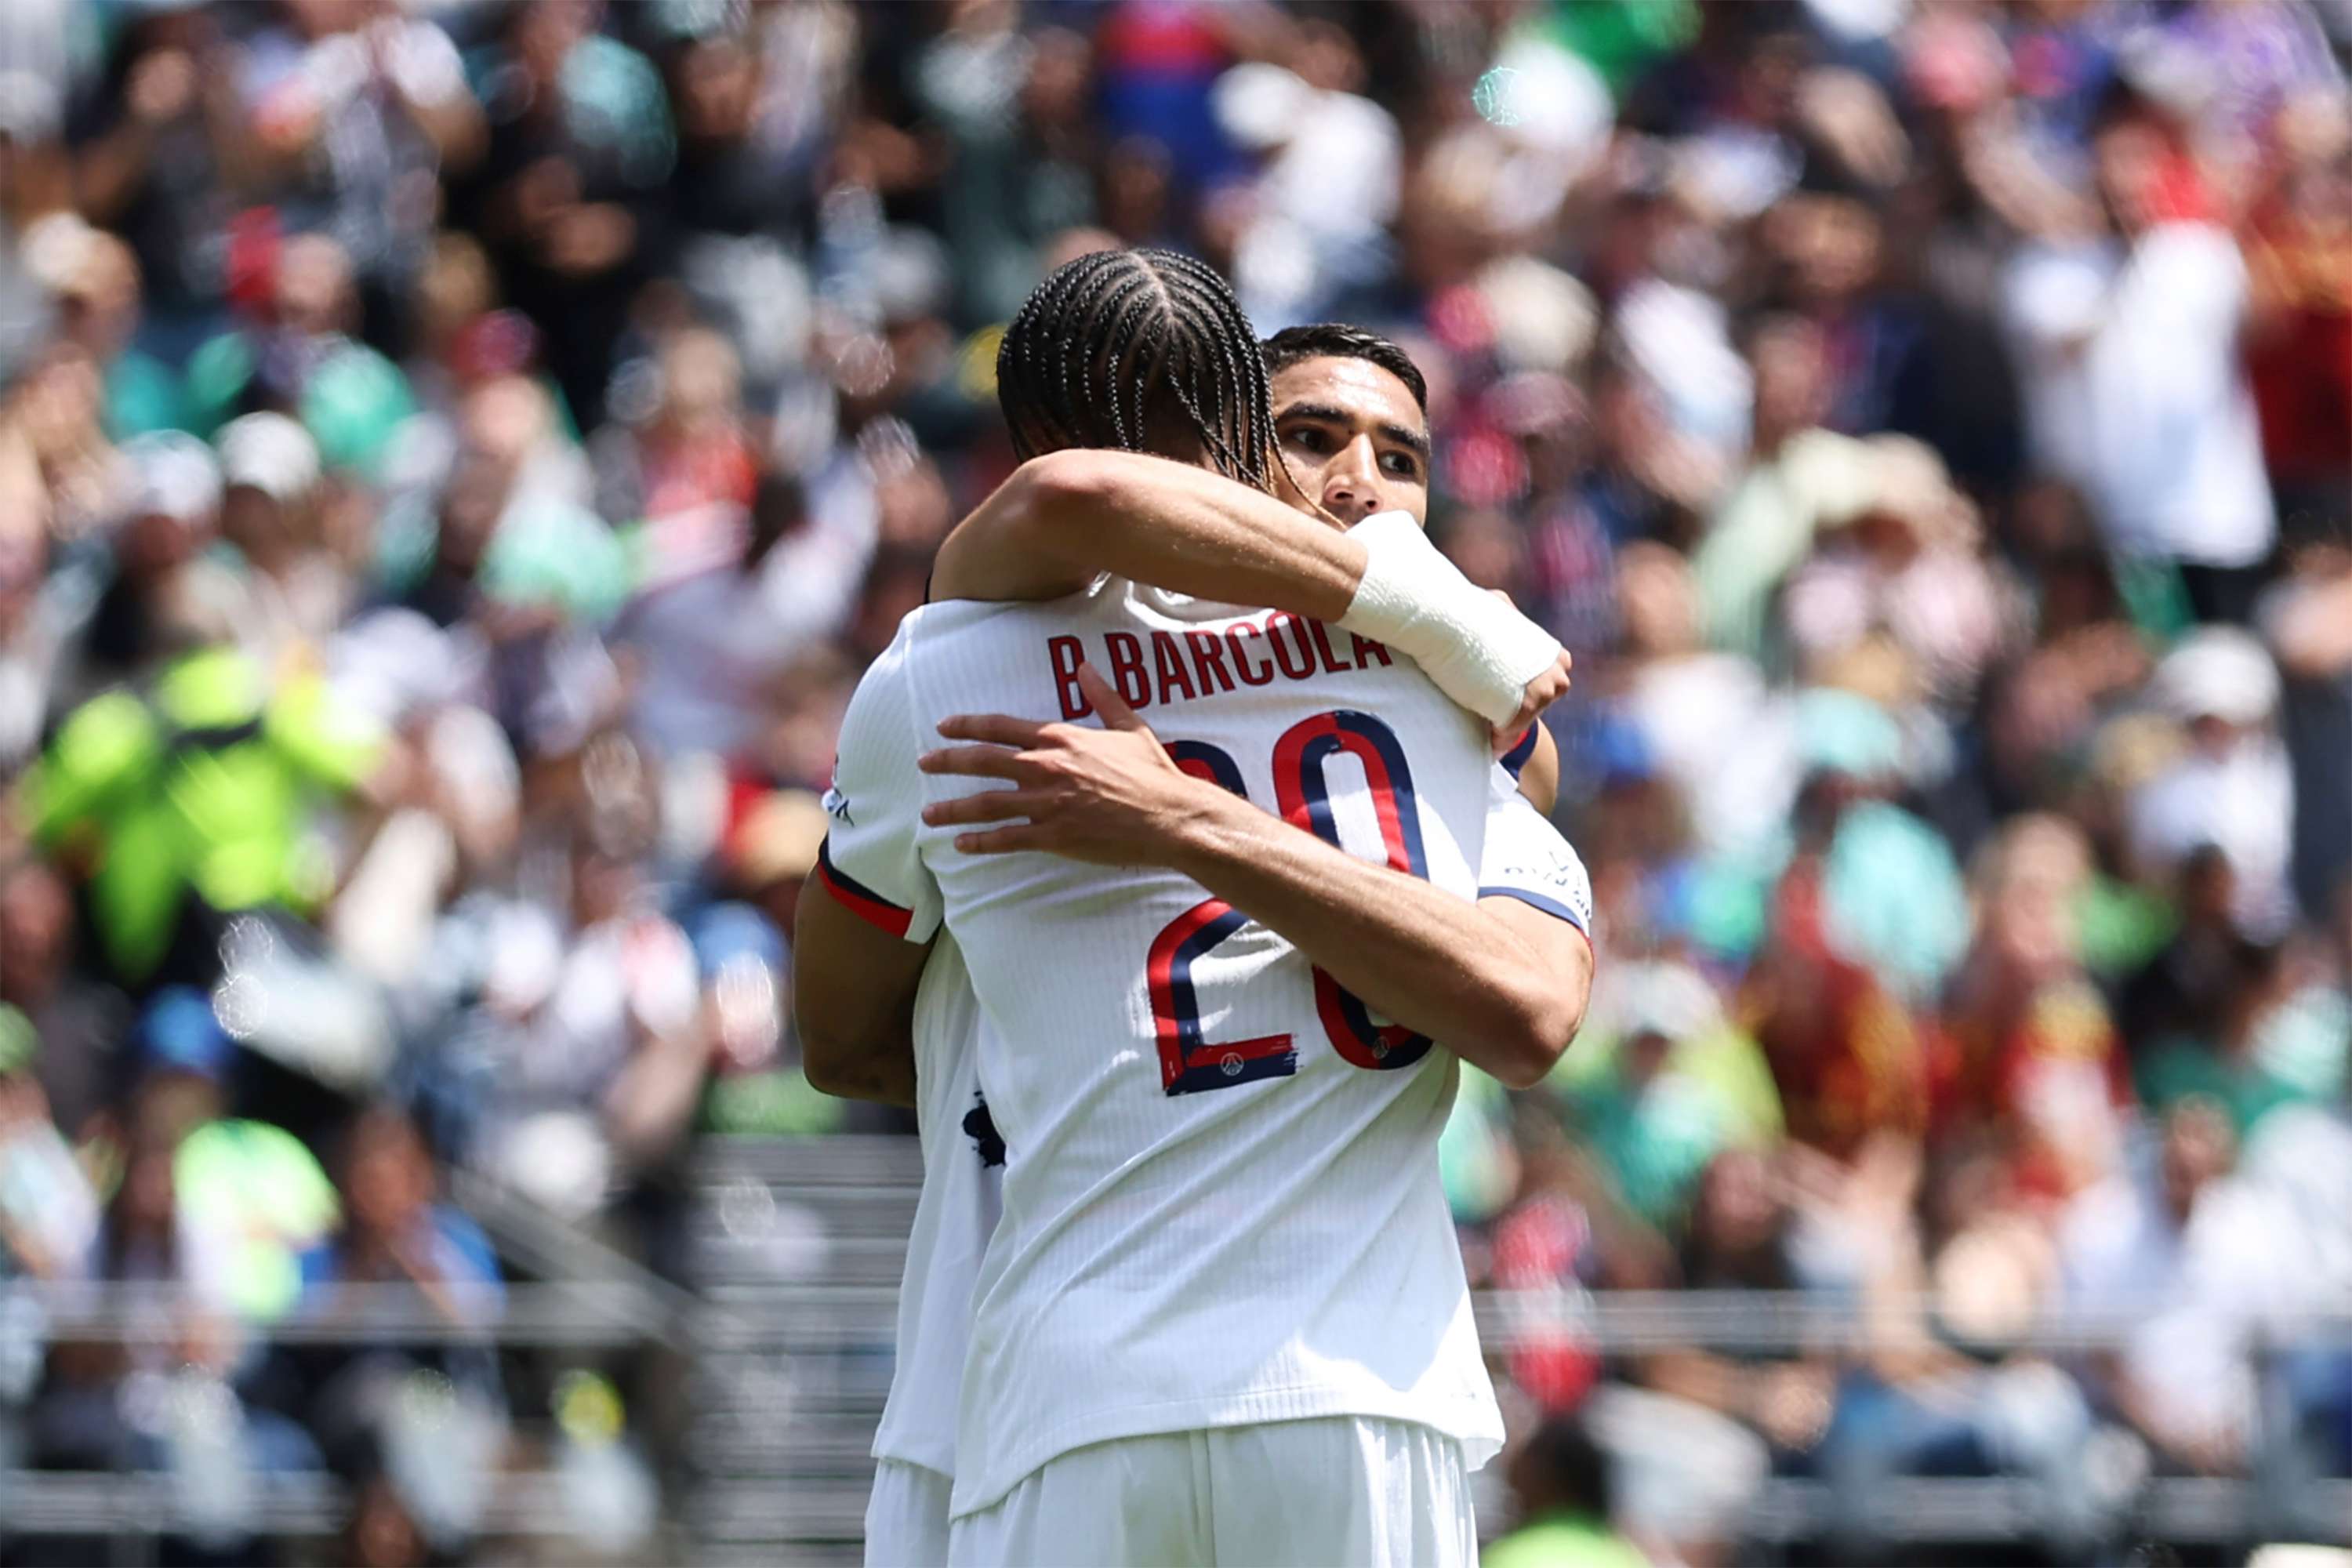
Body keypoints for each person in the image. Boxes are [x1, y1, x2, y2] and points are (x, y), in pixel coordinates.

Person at [799, 249, 1587, 1566]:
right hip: (1346, 1395)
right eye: (1314, 437)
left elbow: (835, 1043)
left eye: (1403, 460)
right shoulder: (1449, 703)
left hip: (1055, 1385)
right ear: (1242, 446)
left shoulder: (944, 670)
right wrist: (1454, 623)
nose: (1360, 489)